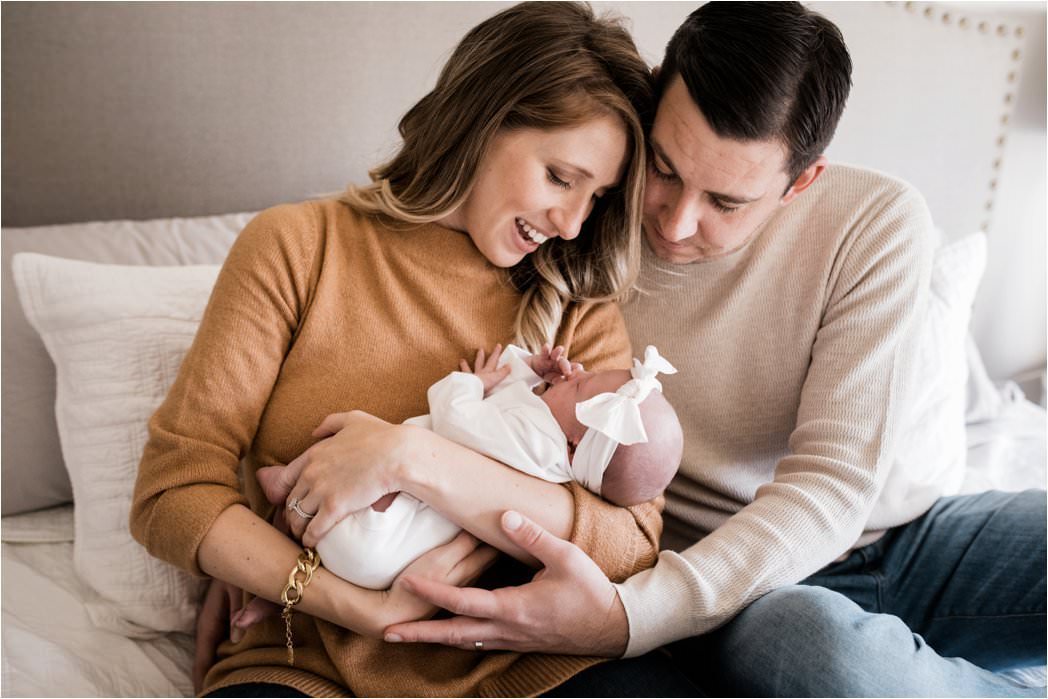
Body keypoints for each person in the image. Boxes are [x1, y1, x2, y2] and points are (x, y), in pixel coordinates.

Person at [379, 2, 1047, 696]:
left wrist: (624, 619)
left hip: (903, 540)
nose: (674, 222)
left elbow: (834, 482)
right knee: (830, 658)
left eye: (726, 202)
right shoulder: (583, 205)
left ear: (802, 182)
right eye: (665, 168)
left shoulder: (875, 223)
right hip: (721, 590)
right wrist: (634, 611)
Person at [129, 2, 677, 697]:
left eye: (595, 198)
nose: (571, 223)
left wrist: (413, 459)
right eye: (560, 177)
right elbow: (173, 495)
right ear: (479, 123)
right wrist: (357, 605)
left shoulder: (576, 304)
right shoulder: (300, 247)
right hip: (306, 664)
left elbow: (632, 541)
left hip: (529, 664)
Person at [242, 342, 683, 595]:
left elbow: (460, 418)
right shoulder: (553, 462)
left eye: (582, 384)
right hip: (386, 566)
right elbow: (506, 417)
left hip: (373, 532)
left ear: (574, 445)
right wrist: (528, 370)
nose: (573, 373)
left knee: (353, 439)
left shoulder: (536, 434)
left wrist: (470, 383)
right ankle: (277, 589)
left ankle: (282, 481)